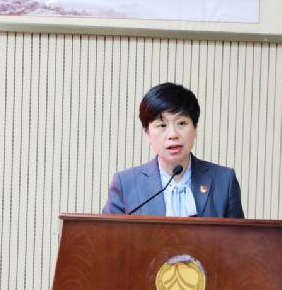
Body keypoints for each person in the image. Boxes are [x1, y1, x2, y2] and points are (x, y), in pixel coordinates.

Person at [102, 83, 245, 218]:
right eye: (162, 125)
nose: (173, 134)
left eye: (181, 123)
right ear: (148, 134)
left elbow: (238, 236)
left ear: (194, 129)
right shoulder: (125, 184)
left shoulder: (224, 181)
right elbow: (107, 234)